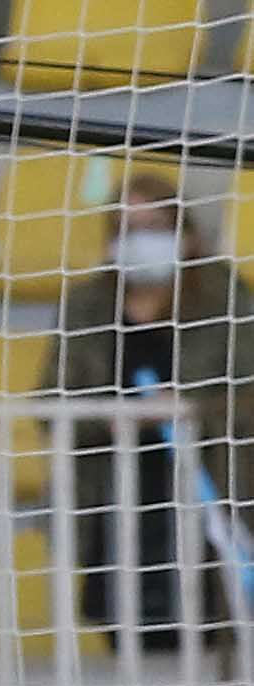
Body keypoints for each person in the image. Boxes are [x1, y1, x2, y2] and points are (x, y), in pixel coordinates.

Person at [49, 171, 254, 648]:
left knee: (213, 633)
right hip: (116, 497)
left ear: (185, 235)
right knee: (129, 633)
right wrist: (109, 416)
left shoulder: (229, 299)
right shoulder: (86, 307)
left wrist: (191, 409)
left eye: (154, 227)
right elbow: (51, 401)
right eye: (127, 229)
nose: (140, 241)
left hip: (210, 494)